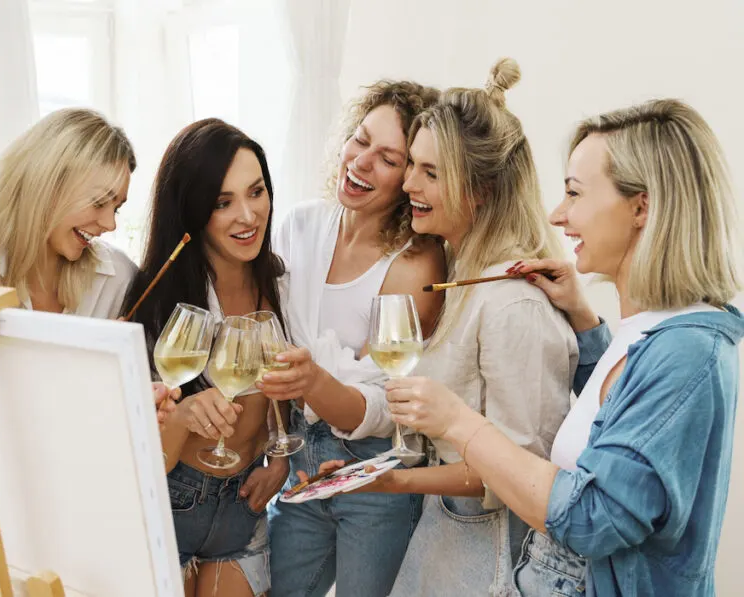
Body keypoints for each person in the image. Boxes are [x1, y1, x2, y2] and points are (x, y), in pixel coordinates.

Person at [386, 98, 742, 597]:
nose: (557, 214)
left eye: (574, 194)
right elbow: (612, 423)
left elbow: (594, 519)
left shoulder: (687, 353)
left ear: (641, 207)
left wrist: (458, 423)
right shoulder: (650, 333)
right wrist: (584, 321)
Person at [306, 58, 578, 596]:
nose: (407, 183)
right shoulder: (460, 277)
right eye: (412, 165)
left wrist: (393, 482)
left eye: (430, 173)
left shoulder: (511, 304)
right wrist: (376, 471)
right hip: (446, 531)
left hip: (489, 554)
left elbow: (521, 473)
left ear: (480, 191)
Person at [259, 79, 446, 597]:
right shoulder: (298, 226)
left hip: (377, 474)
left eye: (388, 157)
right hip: (299, 459)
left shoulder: (416, 263)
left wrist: (313, 380)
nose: (361, 162)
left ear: (411, 177)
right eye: (360, 140)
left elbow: (384, 407)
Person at [124, 119, 289, 596]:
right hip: (172, 507)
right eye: (223, 202)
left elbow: (291, 397)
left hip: (243, 515)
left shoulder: (281, 285)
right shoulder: (157, 303)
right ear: (194, 212)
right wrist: (184, 416)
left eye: (256, 192)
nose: (248, 215)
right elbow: (140, 462)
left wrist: (279, 457)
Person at [0, 108, 138, 319]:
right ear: (47, 184)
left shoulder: (119, 279)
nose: (110, 224)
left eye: (116, 208)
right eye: (98, 202)